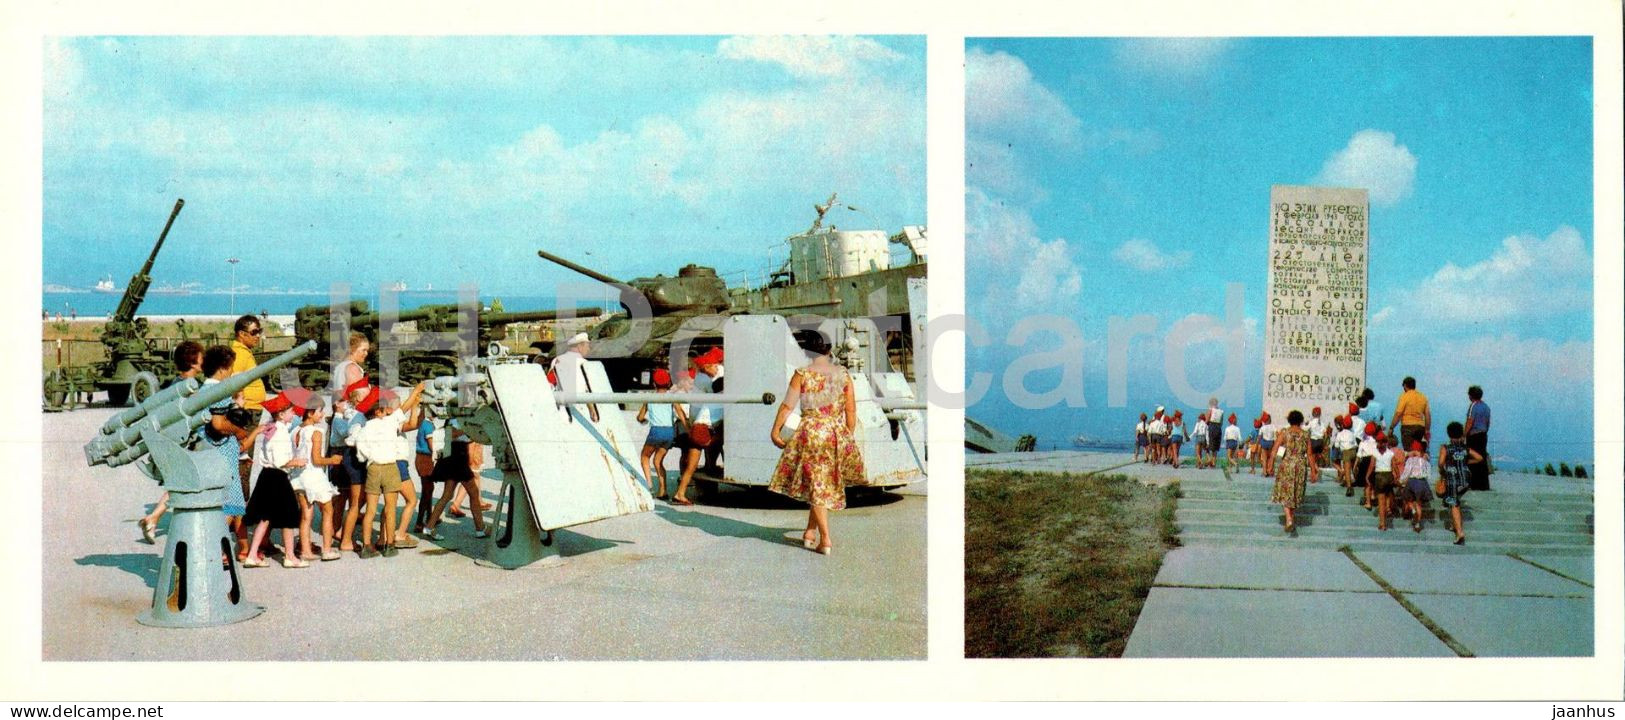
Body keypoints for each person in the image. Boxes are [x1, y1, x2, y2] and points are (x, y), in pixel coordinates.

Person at [767, 329, 866, 556]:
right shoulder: (844, 375)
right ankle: (810, 531)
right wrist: (845, 436)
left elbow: (787, 406)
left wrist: (775, 430)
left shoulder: (802, 373)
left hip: (811, 433)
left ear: (807, 352)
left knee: (817, 485)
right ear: (829, 350)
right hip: (834, 432)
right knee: (820, 484)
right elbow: (851, 410)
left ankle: (826, 539)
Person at [138, 342, 205, 543]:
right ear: (193, 362)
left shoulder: (175, 385)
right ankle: (154, 518)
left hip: (179, 439)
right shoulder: (190, 388)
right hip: (186, 440)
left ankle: (153, 518)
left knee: (181, 482)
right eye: (201, 358)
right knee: (183, 482)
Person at [351, 382, 428, 558]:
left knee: (370, 510)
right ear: (379, 411)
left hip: (373, 468)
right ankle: (389, 545)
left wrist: (369, 459)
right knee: (390, 507)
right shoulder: (389, 423)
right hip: (390, 467)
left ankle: (367, 546)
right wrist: (416, 396)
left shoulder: (365, 429)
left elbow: (361, 452)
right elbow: (406, 412)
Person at [242, 389, 310, 568]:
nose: (294, 413)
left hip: (267, 476)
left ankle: (252, 554)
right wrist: (298, 461)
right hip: (278, 477)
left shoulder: (272, 428)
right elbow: (281, 461)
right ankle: (289, 556)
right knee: (288, 516)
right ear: (281, 414)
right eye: (291, 411)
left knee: (265, 518)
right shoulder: (279, 433)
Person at [230, 315, 269, 556]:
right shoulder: (240, 354)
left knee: (245, 466)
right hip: (247, 413)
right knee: (243, 467)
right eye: (254, 332)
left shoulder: (245, 352)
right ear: (241, 333)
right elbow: (235, 386)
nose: (258, 336)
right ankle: (239, 524)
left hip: (252, 411)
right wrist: (241, 413)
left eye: (259, 331)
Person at [330, 332, 372, 552]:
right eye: (363, 350)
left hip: (338, 428)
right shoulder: (353, 369)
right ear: (353, 349)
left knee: (341, 490)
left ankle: (336, 528)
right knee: (358, 490)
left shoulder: (338, 368)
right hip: (352, 428)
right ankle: (345, 532)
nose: (366, 354)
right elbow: (360, 397)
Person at [289, 393, 343, 561]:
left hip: (298, 477)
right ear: (310, 413)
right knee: (328, 511)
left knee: (306, 515)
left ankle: (306, 551)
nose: (323, 415)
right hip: (314, 477)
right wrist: (333, 460)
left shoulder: (295, 431)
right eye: (320, 411)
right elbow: (317, 460)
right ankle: (327, 550)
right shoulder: (316, 432)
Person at [420, 419, 490, 542]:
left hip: (457, 457)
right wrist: (469, 429)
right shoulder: (455, 421)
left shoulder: (457, 420)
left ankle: (429, 527)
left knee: (447, 495)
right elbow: (451, 434)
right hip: (457, 458)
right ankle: (480, 528)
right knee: (473, 493)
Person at [672, 347, 724, 505]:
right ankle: (710, 479)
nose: (712, 369)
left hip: (698, 425)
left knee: (692, 465)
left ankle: (680, 493)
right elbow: (718, 384)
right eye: (710, 367)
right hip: (707, 428)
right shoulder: (719, 379)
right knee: (719, 446)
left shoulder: (702, 381)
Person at [636, 368, 687, 498]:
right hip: (669, 432)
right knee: (658, 461)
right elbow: (680, 412)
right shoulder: (671, 397)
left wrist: (643, 421)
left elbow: (640, 417)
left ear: (654, 384)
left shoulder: (649, 398)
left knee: (644, 457)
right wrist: (688, 428)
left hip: (656, 431)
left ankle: (649, 487)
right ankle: (663, 490)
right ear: (669, 383)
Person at [1437, 421, 1483, 545]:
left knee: (1454, 504)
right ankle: (1454, 524)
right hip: (1466, 479)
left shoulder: (1445, 447)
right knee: (1455, 500)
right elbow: (1479, 458)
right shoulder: (1465, 448)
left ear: (1448, 434)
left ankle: (1460, 532)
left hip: (1452, 479)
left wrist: (1443, 469)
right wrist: (1466, 463)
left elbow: (1441, 463)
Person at [1271, 410, 1314, 535]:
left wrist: (1270, 466)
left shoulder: (1285, 432)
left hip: (1287, 464)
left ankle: (1289, 519)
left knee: (1285, 492)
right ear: (1301, 421)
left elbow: (1274, 450)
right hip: (1300, 465)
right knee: (1296, 492)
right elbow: (1310, 454)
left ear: (1289, 420)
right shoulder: (1305, 435)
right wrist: (1313, 472)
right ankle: (1291, 519)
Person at [1389, 377, 1431, 454]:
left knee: (1408, 452)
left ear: (1405, 385)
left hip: (1407, 427)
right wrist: (1427, 430)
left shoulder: (1404, 396)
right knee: (1419, 451)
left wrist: (1392, 427)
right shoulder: (1423, 397)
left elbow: (1398, 413)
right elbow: (1428, 415)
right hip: (1420, 428)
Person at [1365, 433, 1398, 531]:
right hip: (1388, 475)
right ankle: (1388, 509)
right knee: (1388, 495)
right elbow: (1394, 466)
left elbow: (1371, 466)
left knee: (1381, 501)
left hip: (1379, 476)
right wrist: (1397, 476)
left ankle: (1382, 523)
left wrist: (1367, 477)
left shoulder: (1375, 453)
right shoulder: (1390, 453)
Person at [1399, 441, 1433, 533]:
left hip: (1412, 481)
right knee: (1419, 503)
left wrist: (1401, 480)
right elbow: (1429, 473)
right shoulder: (1425, 460)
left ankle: (1412, 510)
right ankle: (1417, 524)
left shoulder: (1410, 460)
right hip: (1422, 482)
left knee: (1408, 499)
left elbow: (1407, 472)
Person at [1464, 385, 1492, 491]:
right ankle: (1483, 484)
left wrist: (1464, 434)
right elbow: (1488, 422)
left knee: (1473, 457)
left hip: (1474, 435)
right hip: (1483, 434)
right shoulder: (1486, 407)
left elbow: (1470, 421)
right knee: (1482, 457)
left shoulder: (1473, 406)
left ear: (1471, 396)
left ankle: (1473, 483)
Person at [1334, 416, 1359, 497]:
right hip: (1353, 451)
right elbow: (1355, 444)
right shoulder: (1352, 433)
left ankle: (1349, 487)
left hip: (1346, 452)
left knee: (1347, 469)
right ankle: (1355, 480)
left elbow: (1336, 445)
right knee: (1354, 467)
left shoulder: (1340, 434)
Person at [1258, 412, 1277, 477]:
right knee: (1270, 458)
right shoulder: (1273, 426)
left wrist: (1258, 444)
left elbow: (1260, 437)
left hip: (1264, 442)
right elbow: (1275, 435)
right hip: (1271, 442)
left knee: (1264, 458)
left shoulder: (1262, 428)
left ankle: (1264, 472)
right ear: (1269, 420)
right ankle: (1271, 471)